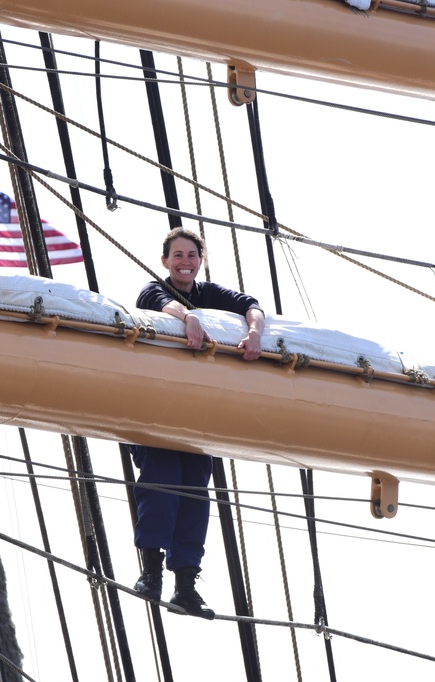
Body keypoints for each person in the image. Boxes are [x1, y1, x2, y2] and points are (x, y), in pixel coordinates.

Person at [131, 227, 265, 619]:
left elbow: (250, 304)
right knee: (160, 484)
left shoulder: (210, 294)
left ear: (200, 260)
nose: (185, 262)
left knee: (194, 496)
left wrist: (254, 330)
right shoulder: (153, 289)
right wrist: (187, 318)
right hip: (157, 408)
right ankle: (151, 573)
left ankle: (185, 585)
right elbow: (159, 304)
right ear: (165, 261)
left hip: (197, 417)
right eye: (177, 256)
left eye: (191, 255)